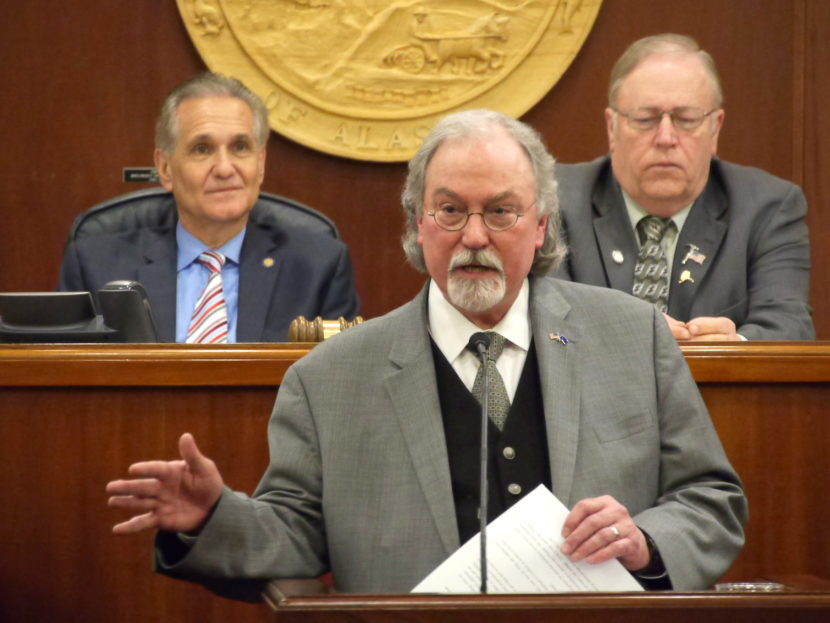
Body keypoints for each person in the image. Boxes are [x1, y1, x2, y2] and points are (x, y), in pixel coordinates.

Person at [106, 110, 747, 598]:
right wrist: (212, 519)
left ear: (541, 224)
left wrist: (644, 542)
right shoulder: (327, 379)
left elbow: (710, 500)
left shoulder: (633, 337)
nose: (473, 236)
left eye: (500, 211)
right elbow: (296, 537)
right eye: (449, 212)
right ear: (418, 223)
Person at [59, 72, 359, 342]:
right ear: (164, 168)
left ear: (261, 163)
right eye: (202, 149)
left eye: (240, 147)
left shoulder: (318, 268)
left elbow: (337, 388)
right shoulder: (96, 266)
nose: (225, 168)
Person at [554, 34, 814, 341]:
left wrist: (738, 349)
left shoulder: (769, 207)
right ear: (612, 127)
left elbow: (789, 325)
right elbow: (542, 323)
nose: (666, 138)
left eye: (687, 119)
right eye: (645, 118)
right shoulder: (556, 201)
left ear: (715, 128)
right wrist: (630, 339)